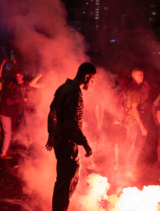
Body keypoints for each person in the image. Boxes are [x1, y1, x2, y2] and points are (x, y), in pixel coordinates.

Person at [46, 62, 96, 211]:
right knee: (65, 183)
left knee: (67, 179)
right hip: (66, 144)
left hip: (61, 141)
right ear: (86, 76)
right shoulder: (73, 92)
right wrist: (85, 143)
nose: (92, 82)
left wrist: (51, 134)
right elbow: (70, 124)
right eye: (92, 79)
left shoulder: (63, 87)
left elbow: (52, 113)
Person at [122, 68, 148, 170]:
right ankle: (128, 168)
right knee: (131, 146)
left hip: (129, 121)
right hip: (132, 122)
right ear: (134, 76)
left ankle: (129, 166)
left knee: (131, 145)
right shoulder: (133, 90)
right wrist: (142, 126)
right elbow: (134, 109)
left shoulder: (130, 88)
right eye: (140, 75)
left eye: (142, 74)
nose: (142, 76)